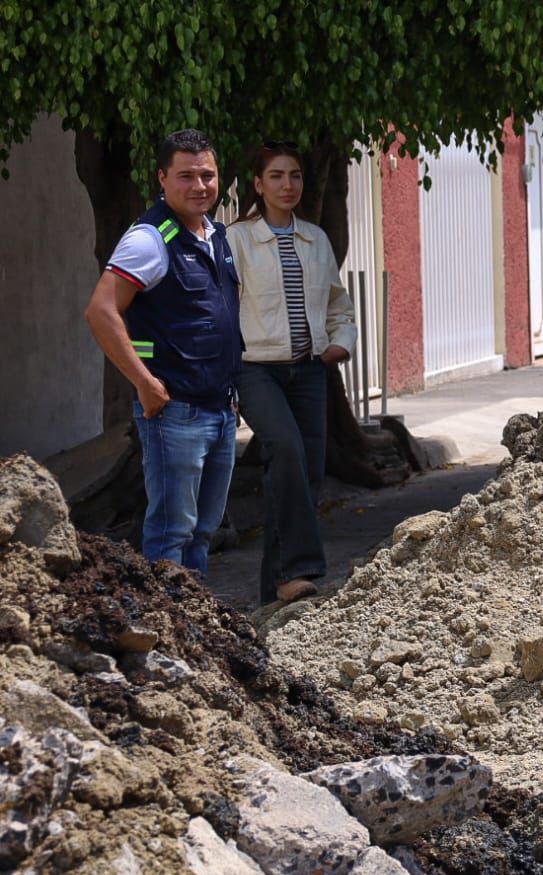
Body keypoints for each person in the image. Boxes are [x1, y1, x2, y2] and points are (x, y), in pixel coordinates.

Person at [85, 128, 242, 576]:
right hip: (176, 413)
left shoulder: (214, 235)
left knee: (202, 533)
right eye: (186, 176)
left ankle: (196, 634)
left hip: (219, 410)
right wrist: (144, 383)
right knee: (172, 533)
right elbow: (101, 311)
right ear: (162, 178)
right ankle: (166, 633)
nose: (199, 186)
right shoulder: (150, 239)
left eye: (207, 175)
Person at [232, 142, 356, 604]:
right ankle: (299, 568)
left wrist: (341, 341)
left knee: (306, 472)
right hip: (254, 370)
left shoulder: (315, 238)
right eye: (277, 176)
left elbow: (338, 303)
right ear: (258, 184)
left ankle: (275, 585)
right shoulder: (236, 240)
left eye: (296, 176)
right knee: (283, 450)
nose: (288, 185)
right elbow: (222, 309)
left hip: (308, 370)